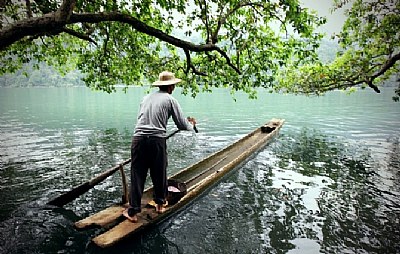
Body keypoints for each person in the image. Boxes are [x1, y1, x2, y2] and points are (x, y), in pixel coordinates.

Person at [123, 71, 197, 223]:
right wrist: (192, 125)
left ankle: (133, 212)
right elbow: (182, 125)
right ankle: (160, 204)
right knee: (159, 171)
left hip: (139, 139)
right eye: (174, 85)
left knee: (137, 174)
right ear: (170, 86)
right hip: (157, 140)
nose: (174, 87)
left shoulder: (145, 98)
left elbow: (141, 119)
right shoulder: (170, 100)